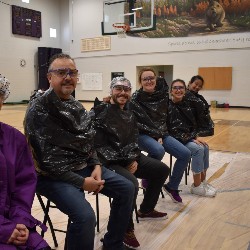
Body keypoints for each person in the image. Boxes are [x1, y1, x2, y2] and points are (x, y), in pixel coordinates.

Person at [24, 53, 134, 250]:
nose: (68, 77)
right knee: (85, 217)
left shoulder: (75, 105)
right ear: (49, 77)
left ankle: (113, 244)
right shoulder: (38, 109)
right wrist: (83, 183)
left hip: (82, 167)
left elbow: (87, 139)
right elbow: (45, 162)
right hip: (51, 177)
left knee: (127, 189)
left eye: (72, 72)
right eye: (61, 72)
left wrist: (96, 164)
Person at [91, 76, 170, 250]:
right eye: (118, 88)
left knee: (161, 170)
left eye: (126, 89)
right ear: (111, 90)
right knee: (131, 184)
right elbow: (98, 146)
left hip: (129, 157)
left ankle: (147, 209)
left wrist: (133, 157)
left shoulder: (129, 111)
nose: (123, 92)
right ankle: (126, 230)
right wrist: (127, 160)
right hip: (109, 162)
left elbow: (133, 139)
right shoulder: (99, 112)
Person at [0, 74, 50, 250]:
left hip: (14, 222)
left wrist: (20, 221)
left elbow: (24, 185)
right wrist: (4, 230)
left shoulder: (14, 139)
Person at [129, 68, 191, 203]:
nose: (149, 81)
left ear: (156, 79)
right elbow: (140, 122)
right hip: (142, 134)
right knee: (158, 150)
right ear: (140, 82)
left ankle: (172, 187)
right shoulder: (135, 98)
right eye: (145, 79)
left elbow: (163, 118)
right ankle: (147, 174)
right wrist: (156, 134)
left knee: (185, 153)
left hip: (161, 134)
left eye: (151, 78)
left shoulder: (162, 95)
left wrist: (160, 134)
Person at [168, 79, 217, 197]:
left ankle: (202, 182)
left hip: (186, 137)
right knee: (198, 149)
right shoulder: (168, 106)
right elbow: (172, 130)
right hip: (174, 139)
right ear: (171, 91)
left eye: (181, 88)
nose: (178, 90)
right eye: (175, 88)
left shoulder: (187, 105)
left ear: (185, 91)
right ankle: (196, 186)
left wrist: (194, 136)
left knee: (205, 146)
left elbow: (192, 125)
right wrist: (190, 138)